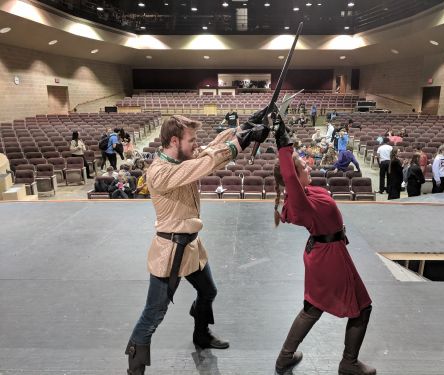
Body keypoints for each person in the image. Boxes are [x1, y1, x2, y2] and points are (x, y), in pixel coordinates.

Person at [125, 112, 269, 375]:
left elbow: (210, 149)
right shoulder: (160, 171)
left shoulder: (184, 156)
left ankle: (201, 335)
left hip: (191, 247)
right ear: (173, 141)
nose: (195, 144)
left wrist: (243, 128)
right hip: (169, 253)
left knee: (208, 292)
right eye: (191, 140)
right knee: (153, 314)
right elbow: (203, 164)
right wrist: (240, 144)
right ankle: (134, 369)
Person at [272, 117, 375, 375]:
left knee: (313, 306)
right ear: (292, 179)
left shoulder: (307, 194)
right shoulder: (299, 202)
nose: (308, 166)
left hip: (328, 253)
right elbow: (288, 174)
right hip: (328, 258)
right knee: (360, 307)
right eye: (302, 167)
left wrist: (287, 140)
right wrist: (283, 144)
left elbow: (293, 174)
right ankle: (348, 363)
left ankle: (285, 358)